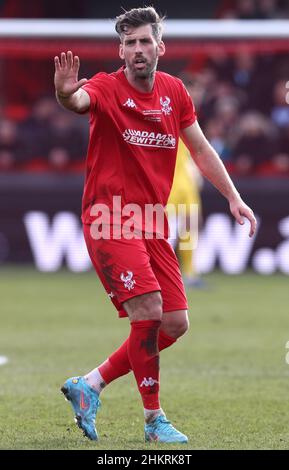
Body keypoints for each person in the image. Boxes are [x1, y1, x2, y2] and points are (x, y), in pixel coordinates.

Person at [54, 7, 256, 444]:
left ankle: (89, 386)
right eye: (130, 43)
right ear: (120, 51)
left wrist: (234, 198)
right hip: (109, 218)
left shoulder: (174, 91)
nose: (138, 50)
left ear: (160, 47)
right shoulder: (107, 87)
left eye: (146, 41)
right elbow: (79, 100)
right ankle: (153, 420)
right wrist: (65, 94)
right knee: (147, 312)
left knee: (176, 322)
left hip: (150, 221)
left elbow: (200, 150)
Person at [167, 138, 205, 288]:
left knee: (192, 224)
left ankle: (190, 273)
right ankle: (156, 273)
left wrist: (194, 170)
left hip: (186, 181)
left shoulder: (184, 122)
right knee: (162, 230)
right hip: (168, 181)